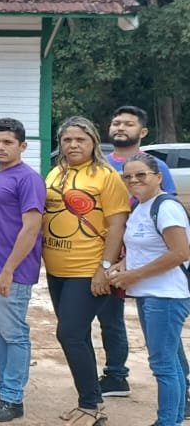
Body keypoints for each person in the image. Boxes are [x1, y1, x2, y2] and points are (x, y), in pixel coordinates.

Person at [43, 116, 129, 425]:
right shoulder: (55, 173)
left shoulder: (106, 176)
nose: (73, 145)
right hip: (56, 270)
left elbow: (117, 224)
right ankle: (92, 400)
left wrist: (104, 268)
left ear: (93, 142)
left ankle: (90, 405)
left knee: (69, 334)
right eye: (67, 140)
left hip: (88, 269)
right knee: (76, 335)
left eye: (80, 139)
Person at [0, 117, 46, 422]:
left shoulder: (28, 179)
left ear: (22, 146)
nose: (0, 147)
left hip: (10, 272)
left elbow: (31, 228)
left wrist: (8, 270)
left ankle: (14, 398)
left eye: (8, 142)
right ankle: (2, 391)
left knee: (14, 334)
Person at [103, 104, 178, 398]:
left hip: (145, 255)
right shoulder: (102, 165)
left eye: (129, 124)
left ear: (143, 131)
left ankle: (181, 388)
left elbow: (165, 213)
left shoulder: (157, 168)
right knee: (110, 317)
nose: (121, 128)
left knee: (161, 331)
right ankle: (115, 375)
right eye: (117, 122)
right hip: (109, 251)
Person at [111, 153, 190, 426]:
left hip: (165, 296)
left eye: (141, 175)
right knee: (171, 362)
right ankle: (173, 419)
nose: (134, 180)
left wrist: (134, 275)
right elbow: (143, 249)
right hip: (150, 294)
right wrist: (122, 266)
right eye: (128, 176)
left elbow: (180, 253)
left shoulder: (165, 207)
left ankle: (167, 421)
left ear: (158, 177)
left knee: (163, 365)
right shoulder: (142, 207)